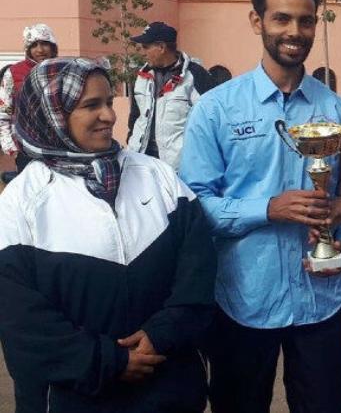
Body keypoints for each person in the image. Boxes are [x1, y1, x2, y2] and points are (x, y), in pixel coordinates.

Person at [179, 0, 341, 413]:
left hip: (321, 300)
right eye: (281, 18)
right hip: (243, 299)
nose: (294, 32)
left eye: (305, 20)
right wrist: (268, 208)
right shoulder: (217, 110)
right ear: (257, 21)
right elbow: (196, 206)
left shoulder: (337, 111)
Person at [0, 57, 216, 412]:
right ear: (52, 115)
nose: (109, 116)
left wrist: (162, 334)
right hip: (71, 398)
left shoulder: (158, 177)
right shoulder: (21, 202)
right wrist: (107, 361)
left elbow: (198, 270)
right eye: (91, 105)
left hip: (168, 386)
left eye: (109, 102)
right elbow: (20, 318)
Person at [127, 22, 214, 170]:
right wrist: (131, 138)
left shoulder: (195, 75)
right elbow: (135, 116)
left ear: (161, 47)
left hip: (178, 166)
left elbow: (211, 119)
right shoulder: (141, 76)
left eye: (146, 47)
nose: (142, 52)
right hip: (141, 161)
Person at [0, 23, 58, 179]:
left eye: (45, 43)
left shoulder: (62, 69)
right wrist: (10, 147)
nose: (40, 50)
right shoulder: (13, 72)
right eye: (34, 45)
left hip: (59, 146)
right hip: (26, 147)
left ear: (53, 46)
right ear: (28, 49)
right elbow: (3, 112)